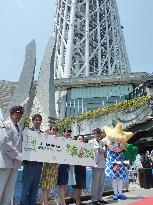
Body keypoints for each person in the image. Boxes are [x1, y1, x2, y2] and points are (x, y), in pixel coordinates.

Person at [0, 106, 24, 205]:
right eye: (17, 114)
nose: (19, 116)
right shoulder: (5, 125)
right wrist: (18, 156)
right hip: (5, 162)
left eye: (20, 115)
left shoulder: (18, 127)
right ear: (11, 114)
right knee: (0, 188)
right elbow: (5, 143)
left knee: (8, 191)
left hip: (15, 164)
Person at [20, 114, 43, 205]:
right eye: (36, 119)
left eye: (39, 120)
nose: (37, 121)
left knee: (35, 188)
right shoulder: (27, 132)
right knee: (25, 188)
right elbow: (23, 146)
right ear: (32, 121)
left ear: (41, 121)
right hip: (29, 164)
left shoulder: (43, 134)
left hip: (38, 165)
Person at [40, 125, 59, 205]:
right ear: (50, 131)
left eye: (56, 130)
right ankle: (45, 203)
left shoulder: (59, 141)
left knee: (50, 186)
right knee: (45, 186)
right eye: (53, 129)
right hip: (47, 165)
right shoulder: (46, 139)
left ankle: (46, 202)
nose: (54, 131)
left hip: (54, 166)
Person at [89, 128, 107, 204]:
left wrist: (99, 148)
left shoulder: (102, 142)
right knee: (95, 183)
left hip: (102, 164)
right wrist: (98, 148)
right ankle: (94, 198)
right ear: (94, 134)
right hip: (95, 165)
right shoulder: (90, 141)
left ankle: (100, 197)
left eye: (99, 133)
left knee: (102, 182)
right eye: (96, 133)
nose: (98, 134)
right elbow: (90, 150)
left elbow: (104, 150)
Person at [57, 128, 72, 205]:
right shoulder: (60, 140)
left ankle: (60, 201)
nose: (68, 133)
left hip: (68, 164)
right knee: (62, 184)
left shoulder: (71, 141)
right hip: (61, 164)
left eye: (69, 132)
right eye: (67, 132)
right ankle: (62, 202)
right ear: (63, 133)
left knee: (65, 183)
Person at [72, 135, 86, 205]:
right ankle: (77, 201)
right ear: (76, 140)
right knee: (77, 186)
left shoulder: (86, 148)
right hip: (76, 168)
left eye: (81, 139)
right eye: (79, 139)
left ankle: (79, 200)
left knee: (81, 186)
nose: (80, 140)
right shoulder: (74, 148)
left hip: (83, 168)